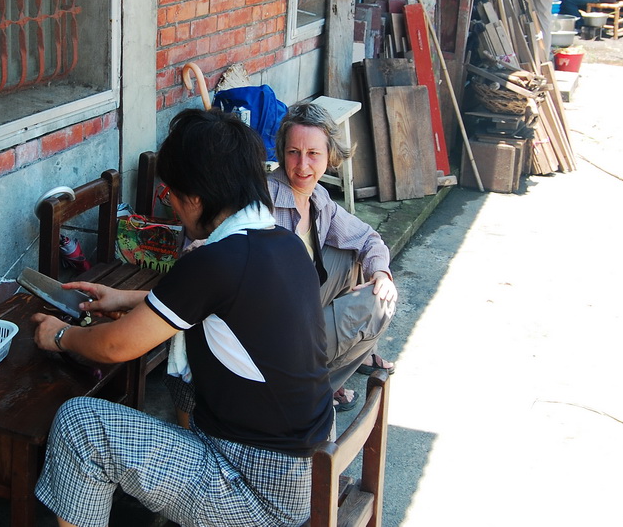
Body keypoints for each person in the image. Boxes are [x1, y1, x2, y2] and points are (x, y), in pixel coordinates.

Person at [31, 108, 333, 527]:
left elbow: (115, 346)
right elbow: (217, 307)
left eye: (170, 193)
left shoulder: (215, 260)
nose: (169, 204)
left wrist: (60, 335)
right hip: (304, 472)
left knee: (80, 426)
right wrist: (125, 299)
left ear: (196, 196)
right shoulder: (282, 243)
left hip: (256, 493)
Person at [268, 102, 398, 412]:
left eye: (313, 154)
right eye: (293, 153)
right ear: (282, 153)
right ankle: (312, 392)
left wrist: (380, 273)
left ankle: (323, 380)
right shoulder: (265, 199)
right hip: (275, 330)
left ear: (330, 157)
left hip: (301, 309)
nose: (302, 166)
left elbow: (368, 238)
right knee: (378, 307)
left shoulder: (318, 198)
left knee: (351, 253)